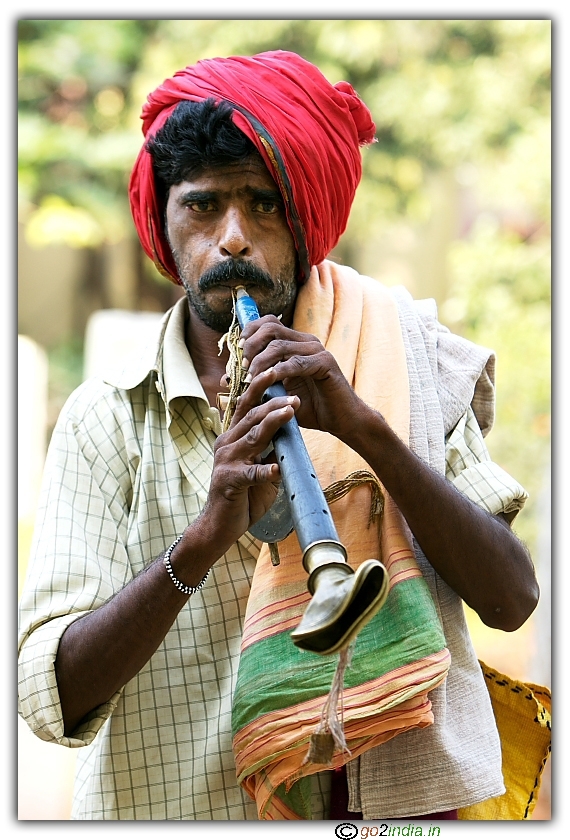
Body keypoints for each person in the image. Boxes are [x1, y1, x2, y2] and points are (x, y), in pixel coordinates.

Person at [18, 50, 539, 821]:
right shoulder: (109, 418)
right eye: (202, 207)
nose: (234, 239)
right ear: (164, 227)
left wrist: (365, 428)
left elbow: (512, 598)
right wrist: (201, 540)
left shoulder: (402, 356)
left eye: (264, 205)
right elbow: (47, 696)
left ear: (302, 227)